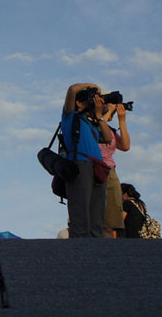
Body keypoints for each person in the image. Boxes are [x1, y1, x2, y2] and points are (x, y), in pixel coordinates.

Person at [61, 83, 113, 238]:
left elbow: (108, 137)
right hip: (80, 163)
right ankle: (80, 249)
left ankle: (95, 247)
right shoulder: (70, 116)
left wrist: (99, 116)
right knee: (80, 209)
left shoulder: (91, 122)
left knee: (97, 212)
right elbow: (71, 90)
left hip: (98, 167)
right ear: (79, 103)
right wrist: (92, 86)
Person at [99, 103, 130, 237]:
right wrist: (107, 112)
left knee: (110, 221)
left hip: (109, 170)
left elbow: (125, 146)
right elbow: (97, 128)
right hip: (93, 168)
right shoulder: (91, 122)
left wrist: (122, 121)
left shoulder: (110, 129)